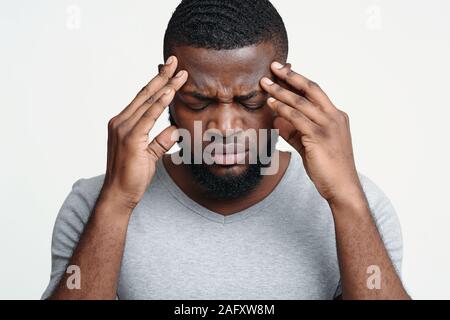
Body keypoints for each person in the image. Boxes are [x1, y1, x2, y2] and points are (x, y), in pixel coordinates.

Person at [42, 0, 410, 300]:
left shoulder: (358, 206)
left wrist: (345, 198)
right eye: (199, 102)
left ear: (285, 85)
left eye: (250, 101)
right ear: (165, 89)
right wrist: (116, 202)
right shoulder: (95, 204)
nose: (224, 128)